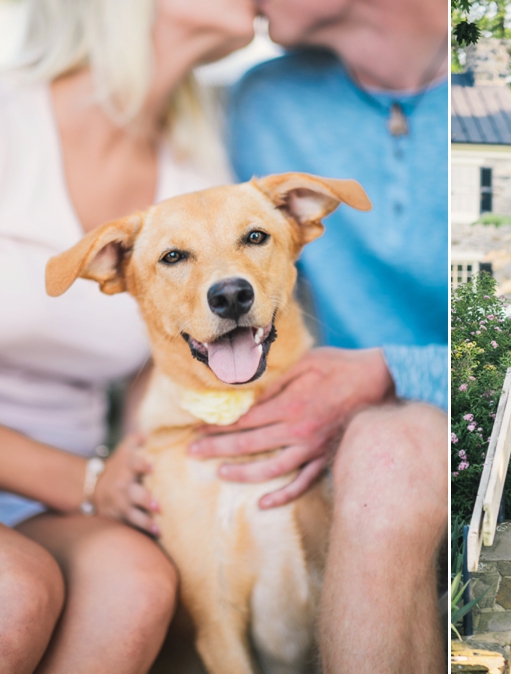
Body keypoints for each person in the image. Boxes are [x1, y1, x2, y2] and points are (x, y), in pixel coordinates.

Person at [187, 1, 449, 672]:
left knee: (390, 456)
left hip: (451, 409)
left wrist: (393, 369)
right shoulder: (266, 100)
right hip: (319, 405)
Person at [0, 1, 257, 670]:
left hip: (52, 487)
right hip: (64, 479)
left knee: (137, 586)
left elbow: (168, 349)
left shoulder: (198, 172)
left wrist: (135, 461)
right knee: (15, 592)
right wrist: (86, 482)